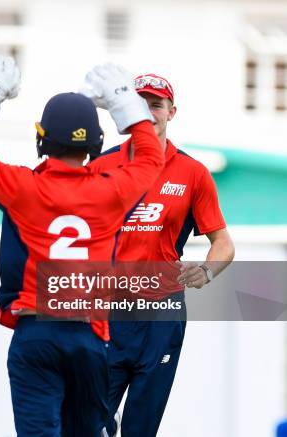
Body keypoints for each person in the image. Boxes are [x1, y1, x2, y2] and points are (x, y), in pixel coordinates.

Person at [0, 58, 165, 436]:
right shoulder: (111, 189)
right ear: (96, 142)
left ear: (42, 137)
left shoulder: (25, 187)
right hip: (88, 337)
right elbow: (151, 156)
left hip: (36, 333)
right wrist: (125, 104)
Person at [90, 73, 236, 437]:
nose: (148, 112)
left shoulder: (193, 173)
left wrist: (206, 271)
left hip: (161, 315)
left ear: (172, 112)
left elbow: (224, 244)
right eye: (140, 104)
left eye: (156, 104)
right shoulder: (101, 167)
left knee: (141, 428)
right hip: (108, 312)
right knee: (90, 421)